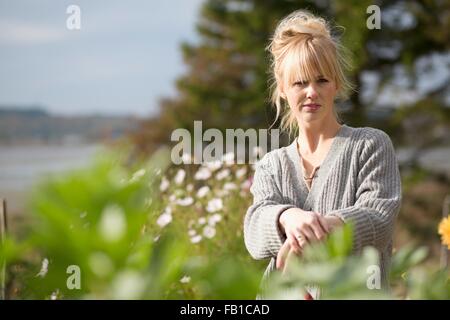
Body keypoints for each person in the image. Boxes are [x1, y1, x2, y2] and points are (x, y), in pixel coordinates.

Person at [243, 9, 402, 299]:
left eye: (322, 80)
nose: (311, 92)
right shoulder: (272, 165)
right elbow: (254, 233)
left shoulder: (370, 145)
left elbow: (379, 218)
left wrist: (321, 228)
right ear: (282, 89)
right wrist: (288, 217)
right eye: (300, 82)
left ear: (337, 84)